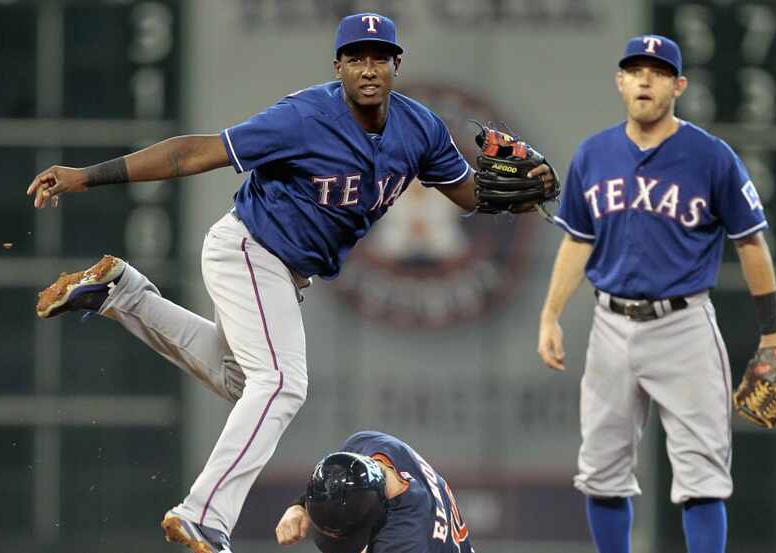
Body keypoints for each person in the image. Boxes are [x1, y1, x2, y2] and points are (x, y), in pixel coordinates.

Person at [27, 12, 551, 553]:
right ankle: (203, 514)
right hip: (249, 250)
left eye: (378, 57)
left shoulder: (421, 129)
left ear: (396, 65)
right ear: (338, 66)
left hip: (281, 270)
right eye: (355, 58)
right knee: (281, 384)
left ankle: (121, 293)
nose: (367, 69)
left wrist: (522, 193)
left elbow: (468, 194)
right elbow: (195, 152)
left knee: (244, 383)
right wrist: (89, 176)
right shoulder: (305, 117)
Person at [536, 35, 776, 553]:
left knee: (702, 475)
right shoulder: (594, 153)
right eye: (635, 70)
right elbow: (576, 241)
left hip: (683, 326)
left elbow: (751, 243)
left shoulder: (711, 156)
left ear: (678, 85)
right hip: (610, 324)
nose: (644, 80)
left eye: (657, 72)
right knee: (601, 471)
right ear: (620, 81)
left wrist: (772, 329)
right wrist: (550, 315)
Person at [275, 430, 472, 553]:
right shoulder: (369, 445)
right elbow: (340, 482)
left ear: (376, 510)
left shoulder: (405, 539)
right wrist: (300, 505)